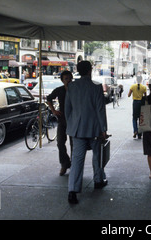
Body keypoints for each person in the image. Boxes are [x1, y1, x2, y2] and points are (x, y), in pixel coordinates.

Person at [65, 61, 108, 204]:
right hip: (94, 128)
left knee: (77, 160)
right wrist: (103, 129)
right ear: (90, 70)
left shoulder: (71, 86)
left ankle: (72, 190)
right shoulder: (96, 88)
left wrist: (71, 125)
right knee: (97, 156)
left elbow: (67, 109)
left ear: (78, 70)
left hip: (77, 130)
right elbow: (100, 109)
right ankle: (98, 180)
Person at [46, 70, 73, 176]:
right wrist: (53, 111)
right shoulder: (59, 90)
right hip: (62, 120)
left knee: (74, 144)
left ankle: (74, 164)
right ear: (62, 80)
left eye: (70, 78)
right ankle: (65, 164)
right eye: (66, 79)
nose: (68, 80)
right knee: (60, 142)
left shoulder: (75, 89)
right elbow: (49, 99)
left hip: (74, 120)